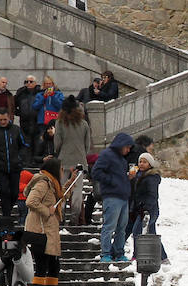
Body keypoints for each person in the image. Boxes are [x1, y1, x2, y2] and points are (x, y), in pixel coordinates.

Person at [24, 158, 66, 286]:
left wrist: (70, 183)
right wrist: (45, 210)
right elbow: (31, 201)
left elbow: (59, 198)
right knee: (42, 267)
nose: (62, 172)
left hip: (50, 232)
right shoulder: (43, 183)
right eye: (61, 169)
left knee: (54, 267)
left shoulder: (53, 185)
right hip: (40, 232)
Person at [92, 133, 133, 262]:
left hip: (123, 196)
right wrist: (112, 181)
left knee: (122, 228)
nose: (128, 150)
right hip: (112, 196)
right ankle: (106, 253)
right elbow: (96, 172)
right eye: (127, 147)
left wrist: (127, 179)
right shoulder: (107, 155)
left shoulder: (122, 159)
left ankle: (118, 252)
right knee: (110, 226)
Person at [0, 108, 29, 222]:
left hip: (15, 166)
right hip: (0, 167)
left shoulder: (16, 130)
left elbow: (24, 145)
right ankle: (6, 216)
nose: (3, 122)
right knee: (4, 191)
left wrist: (20, 158)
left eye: (5, 119)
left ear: (9, 118)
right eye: (0, 120)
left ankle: (7, 211)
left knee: (14, 192)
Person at [55, 96, 90, 225]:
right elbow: (87, 144)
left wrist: (57, 154)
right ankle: (74, 218)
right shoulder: (84, 124)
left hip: (63, 161)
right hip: (80, 161)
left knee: (62, 189)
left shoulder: (59, 123)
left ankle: (61, 216)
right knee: (77, 191)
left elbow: (57, 143)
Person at [130, 153, 168, 263]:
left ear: (150, 164)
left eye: (144, 162)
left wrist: (145, 208)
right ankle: (163, 258)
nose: (141, 164)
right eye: (140, 161)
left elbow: (152, 195)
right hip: (143, 209)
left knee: (137, 232)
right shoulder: (140, 175)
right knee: (151, 234)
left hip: (148, 210)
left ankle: (136, 255)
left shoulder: (151, 177)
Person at [15, 75, 41, 163]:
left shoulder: (40, 92)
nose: (28, 83)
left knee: (37, 144)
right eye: (26, 82)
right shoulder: (21, 93)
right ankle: (26, 162)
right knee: (26, 143)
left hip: (37, 122)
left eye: (31, 81)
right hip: (25, 122)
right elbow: (14, 105)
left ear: (35, 83)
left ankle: (36, 162)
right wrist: (20, 113)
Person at [33, 76, 65, 147]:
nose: (48, 86)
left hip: (55, 121)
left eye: (49, 84)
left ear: (53, 84)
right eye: (46, 84)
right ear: (43, 85)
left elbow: (61, 106)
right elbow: (35, 106)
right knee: (42, 141)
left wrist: (53, 96)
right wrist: (43, 97)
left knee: (56, 140)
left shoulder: (58, 94)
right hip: (43, 122)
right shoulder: (39, 95)